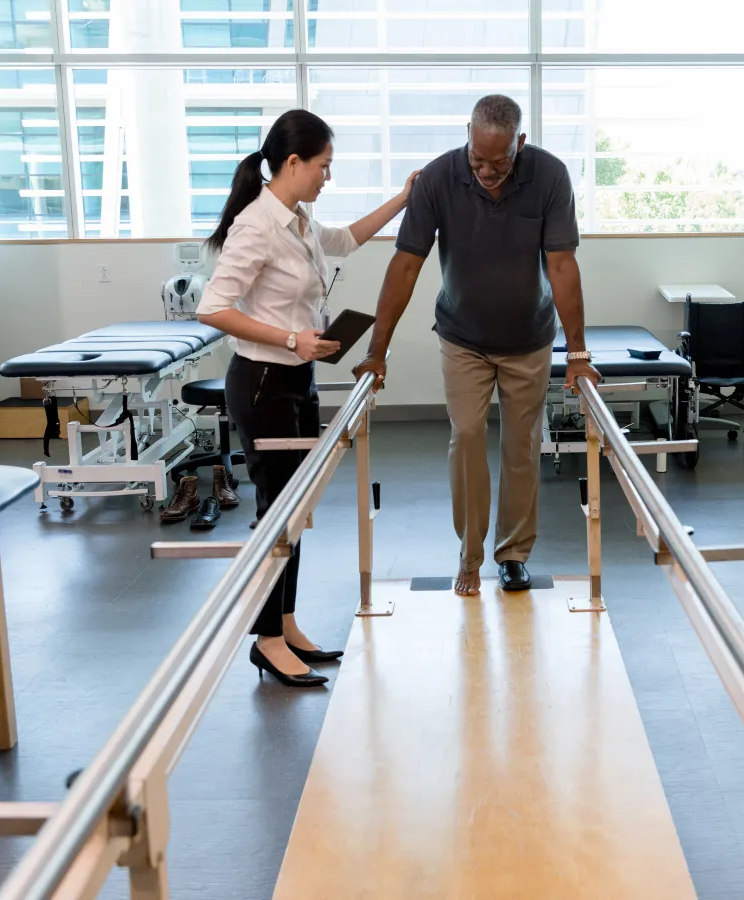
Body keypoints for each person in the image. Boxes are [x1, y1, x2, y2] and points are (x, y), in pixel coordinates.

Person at [197, 109, 418, 687]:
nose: (327, 177)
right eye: (323, 166)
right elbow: (213, 309)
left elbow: (345, 240)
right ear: (293, 163)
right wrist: (293, 338)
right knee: (276, 515)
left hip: (297, 379)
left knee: (296, 514)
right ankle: (267, 640)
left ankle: (286, 623)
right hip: (264, 382)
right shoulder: (256, 225)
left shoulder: (297, 219)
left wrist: (403, 198)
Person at [353, 95, 599, 597]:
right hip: (462, 336)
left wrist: (577, 353)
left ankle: (512, 553)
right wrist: (377, 351)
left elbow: (562, 266)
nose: (487, 171)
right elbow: (405, 265)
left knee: (521, 447)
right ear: (467, 135)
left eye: (500, 162)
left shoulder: (550, 177)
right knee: (465, 435)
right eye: (477, 160)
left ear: (520, 144)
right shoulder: (440, 178)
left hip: (529, 338)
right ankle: (469, 553)